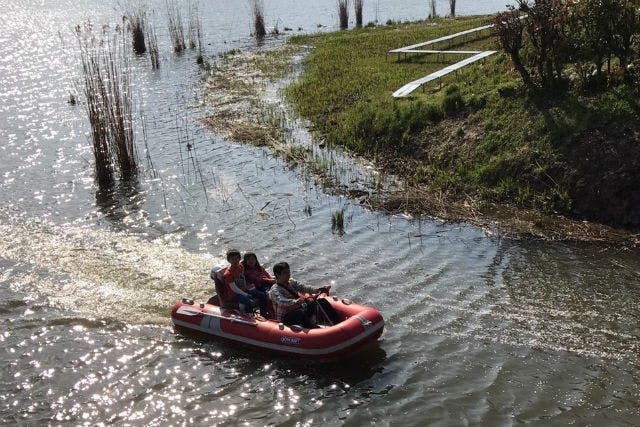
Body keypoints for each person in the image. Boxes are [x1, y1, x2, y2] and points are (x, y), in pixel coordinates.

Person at [268, 262, 339, 328]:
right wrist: (295, 301)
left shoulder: (291, 282)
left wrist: (319, 290)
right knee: (300, 313)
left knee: (321, 301)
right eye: (285, 272)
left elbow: (304, 287)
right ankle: (314, 330)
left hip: (299, 308)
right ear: (277, 275)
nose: (288, 274)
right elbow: (281, 301)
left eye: (288, 271)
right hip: (286, 317)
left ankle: (337, 322)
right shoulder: (274, 290)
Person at [223, 249, 267, 315]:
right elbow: (234, 288)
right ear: (228, 260)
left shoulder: (240, 266)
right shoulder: (228, 274)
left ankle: (264, 314)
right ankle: (249, 316)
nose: (235, 261)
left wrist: (248, 286)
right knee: (250, 302)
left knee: (262, 295)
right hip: (235, 294)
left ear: (240, 258)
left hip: (244, 289)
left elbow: (242, 278)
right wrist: (245, 294)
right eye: (232, 259)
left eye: (237, 258)